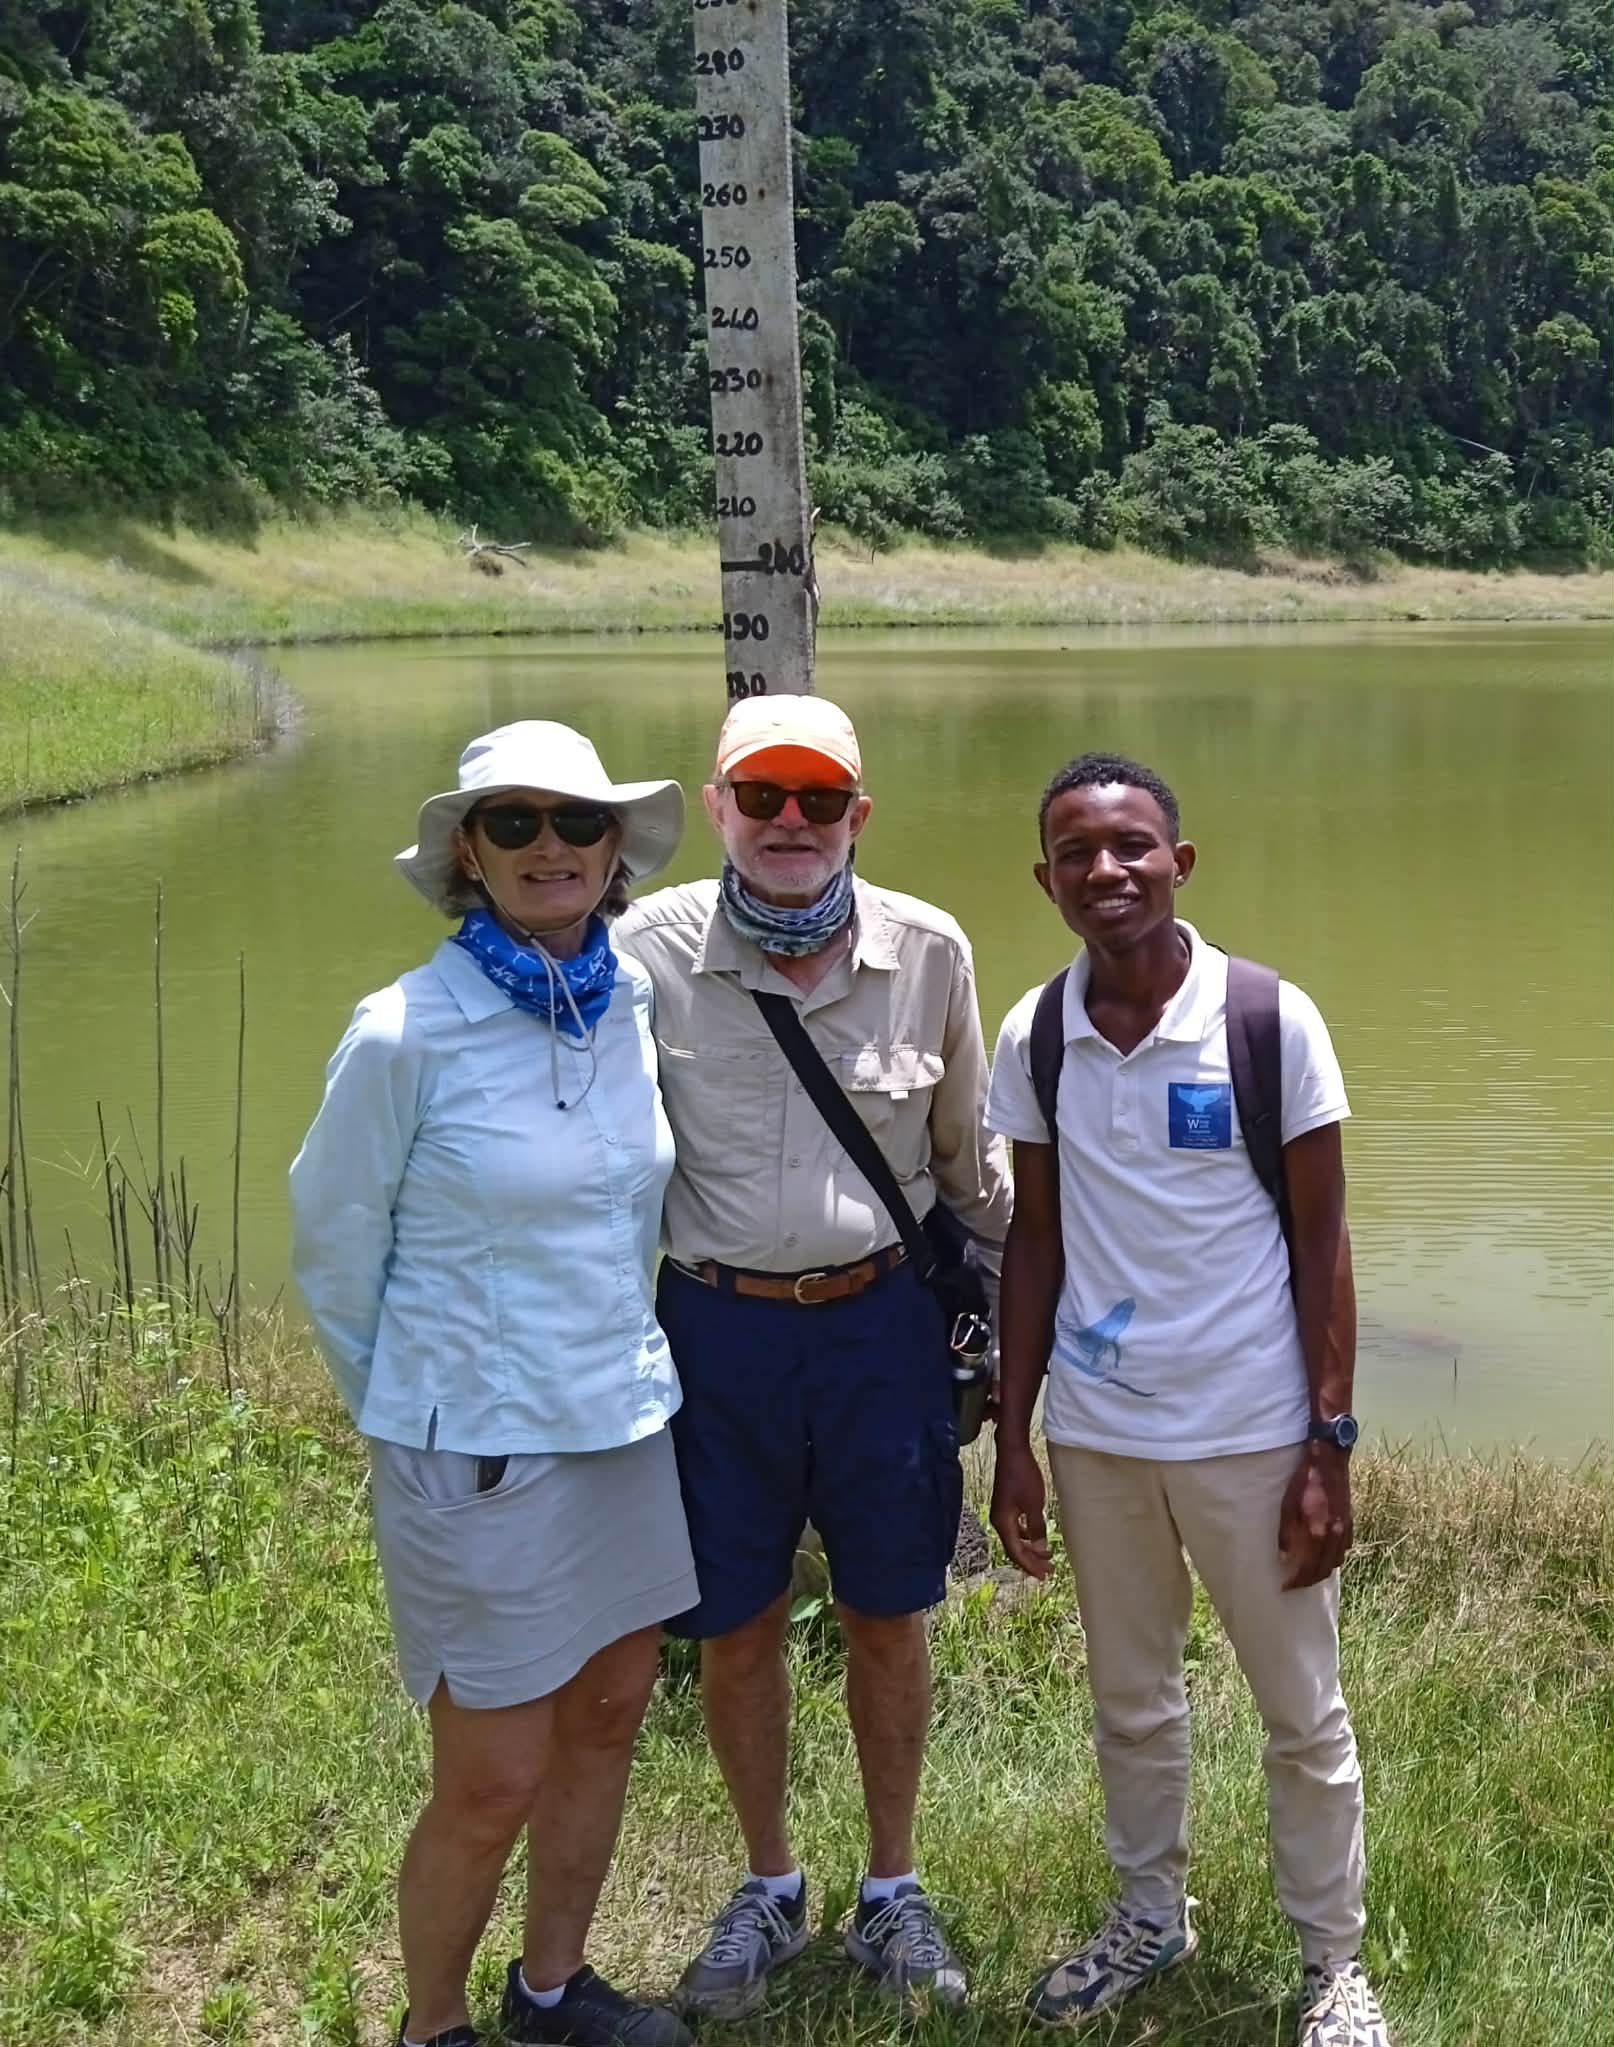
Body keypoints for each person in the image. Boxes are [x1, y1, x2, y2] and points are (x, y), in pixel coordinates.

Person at [290, 721, 699, 2047]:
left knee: (608, 1717)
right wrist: (422, 1404)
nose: (550, 849)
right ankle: (431, 2027)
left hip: (621, 1422)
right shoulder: (405, 1030)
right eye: (512, 823)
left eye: (576, 824)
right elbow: (334, 1247)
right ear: (467, 851)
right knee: (491, 1778)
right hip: (472, 1448)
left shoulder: (627, 1001)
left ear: (612, 850)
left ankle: (549, 1994)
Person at [614, 693, 1012, 2019]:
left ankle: (891, 1892)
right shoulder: (645, 952)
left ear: (858, 814)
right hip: (711, 1328)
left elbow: (971, 1171)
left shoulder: (930, 950)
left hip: (878, 1325)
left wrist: (1025, 1333)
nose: (792, 824)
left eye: (819, 800)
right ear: (717, 805)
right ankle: (769, 1884)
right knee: (733, 1625)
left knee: (886, 1613)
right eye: (763, 797)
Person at [985, 751, 1392, 2047]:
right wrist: (1015, 1439)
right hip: (1101, 1440)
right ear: (1044, 881)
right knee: (1130, 1704)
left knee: (1300, 1717)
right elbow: (1032, 1247)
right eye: (1074, 853)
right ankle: (1147, 1921)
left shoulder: (1268, 1020)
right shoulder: (1034, 1033)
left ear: (1178, 861)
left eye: (1130, 847)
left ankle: (1331, 1965)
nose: (1105, 871)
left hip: (1253, 1437)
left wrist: (1327, 1444)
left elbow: (1324, 1243)